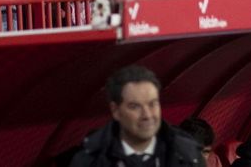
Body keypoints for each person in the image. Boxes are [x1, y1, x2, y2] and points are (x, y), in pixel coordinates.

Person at [69, 65, 204, 167]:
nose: (147, 115)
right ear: (116, 110)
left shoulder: (188, 154)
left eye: (152, 104)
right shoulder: (89, 159)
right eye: (135, 106)